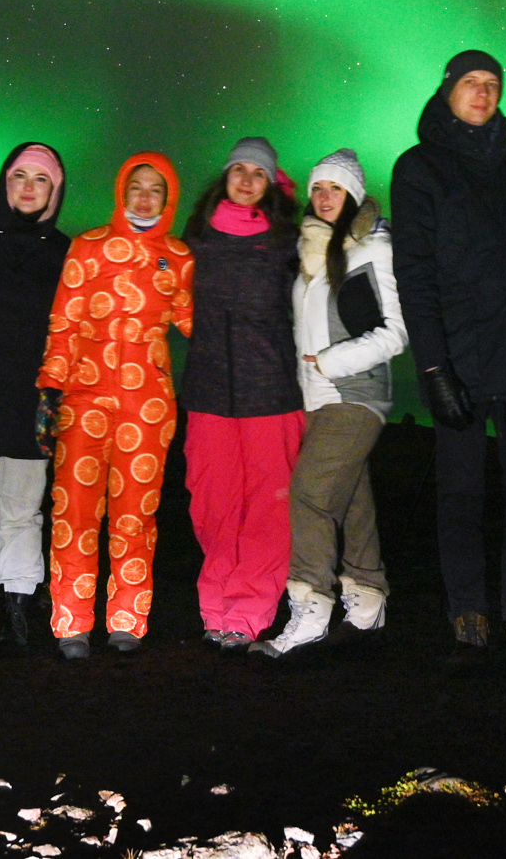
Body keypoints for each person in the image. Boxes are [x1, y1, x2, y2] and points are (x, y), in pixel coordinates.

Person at [390, 49, 506, 669]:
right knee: (460, 490)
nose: (482, 93)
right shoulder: (419, 167)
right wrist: (433, 368)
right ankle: (467, 608)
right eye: (470, 83)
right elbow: (416, 273)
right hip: (456, 352)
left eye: (492, 83)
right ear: (448, 89)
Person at [40, 152, 195, 658]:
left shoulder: (179, 256)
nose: (145, 196)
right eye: (137, 186)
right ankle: (72, 624)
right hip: (86, 398)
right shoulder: (88, 247)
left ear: (167, 199)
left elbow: (198, 325)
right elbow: (62, 323)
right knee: (75, 512)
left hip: (149, 406)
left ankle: (128, 619)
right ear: (122, 192)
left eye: (156, 188)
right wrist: (49, 389)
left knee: (136, 515)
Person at [256, 148, 405, 658]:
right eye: (318, 188)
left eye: (335, 189)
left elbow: (395, 334)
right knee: (352, 499)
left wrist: (331, 362)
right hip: (319, 399)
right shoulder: (312, 252)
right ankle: (366, 598)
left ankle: (311, 604)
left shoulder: (373, 249)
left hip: (356, 393)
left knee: (310, 494)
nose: (323, 197)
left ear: (354, 196)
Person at [179, 138, 304, 649]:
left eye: (259, 172)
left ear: (272, 183)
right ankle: (216, 607)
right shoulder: (196, 237)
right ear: (225, 176)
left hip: (271, 391)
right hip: (209, 389)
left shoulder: (288, 239)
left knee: (269, 508)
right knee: (212, 502)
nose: (248, 179)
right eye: (239, 169)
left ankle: (249, 611)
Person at [0, 142, 71, 650]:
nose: (28, 188)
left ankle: (19, 595)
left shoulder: (64, 250)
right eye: (19, 176)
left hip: (38, 395)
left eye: (41, 179)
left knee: (25, 504)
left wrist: (59, 391)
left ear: (55, 191)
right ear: (5, 181)